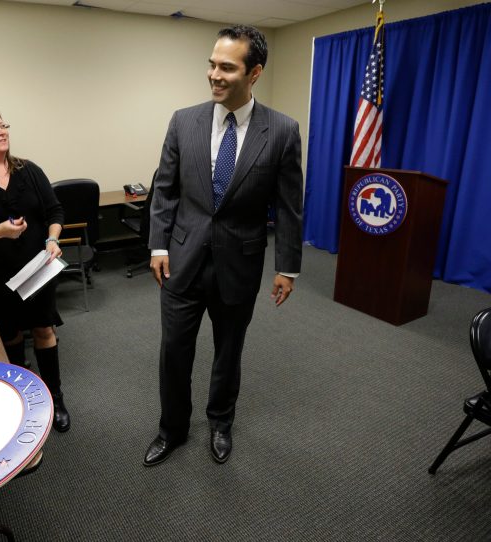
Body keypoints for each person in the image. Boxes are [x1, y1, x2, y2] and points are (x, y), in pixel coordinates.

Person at [143, 25, 303, 466]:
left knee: (228, 351)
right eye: (211, 64)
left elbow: (289, 208)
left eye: (226, 67)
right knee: (174, 351)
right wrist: (158, 246)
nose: (214, 74)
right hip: (181, 260)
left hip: (240, 263)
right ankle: (172, 429)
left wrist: (287, 267)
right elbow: (165, 190)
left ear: (254, 74)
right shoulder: (183, 120)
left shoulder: (283, 131)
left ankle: (220, 422)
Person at [0, 107, 70, 432]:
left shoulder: (28, 170)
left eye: (4, 125)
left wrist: (51, 238)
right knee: (11, 335)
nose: (3, 131)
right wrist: (0, 231)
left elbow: (55, 209)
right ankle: (21, 397)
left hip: (37, 268)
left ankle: (55, 398)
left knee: (44, 330)